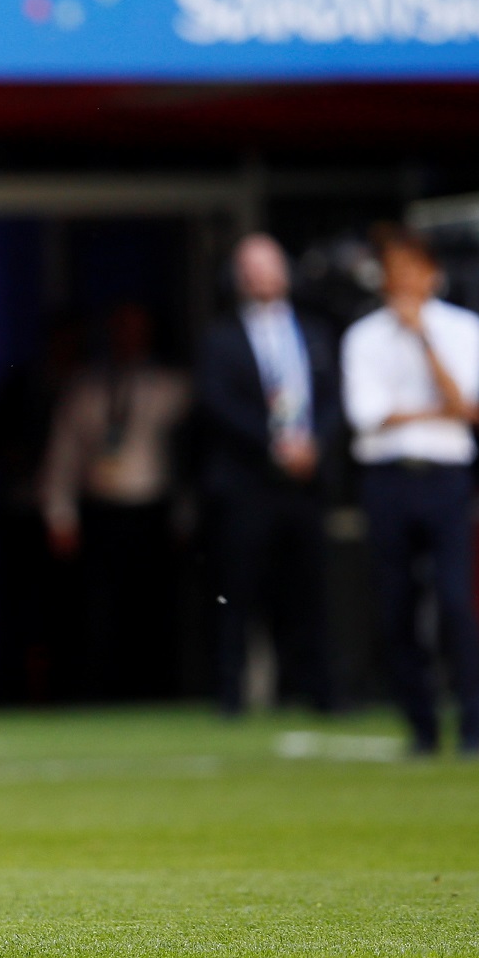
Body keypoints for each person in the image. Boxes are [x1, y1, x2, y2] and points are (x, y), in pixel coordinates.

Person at [342, 230, 479, 756]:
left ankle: (474, 723)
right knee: (396, 606)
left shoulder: (462, 328)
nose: (403, 280)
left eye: (412, 268)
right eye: (393, 269)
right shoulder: (362, 336)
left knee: (454, 600)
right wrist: (439, 411)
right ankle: (422, 727)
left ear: (432, 274)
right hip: (387, 478)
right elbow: (366, 417)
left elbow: (467, 405)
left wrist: (423, 340)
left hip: (445, 475)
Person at [198, 233, 340, 715]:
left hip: (305, 481)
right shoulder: (220, 337)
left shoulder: (317, 331)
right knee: (237, 592)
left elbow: (336, 400)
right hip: (247, 482)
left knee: (310, 592)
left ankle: (318, 691)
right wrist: (274, 446)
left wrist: (312, 445)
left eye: (268, 265)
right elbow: (217, 404)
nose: (260, 277)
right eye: (249, 268)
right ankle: (231, 696)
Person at [41, 303, 190, 699]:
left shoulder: (172, 386)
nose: (128, 336)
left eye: (136, 328)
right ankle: (101, 693)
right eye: (120, 328)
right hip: (101, 510)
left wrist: (185, 513)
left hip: (151, 510)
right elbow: (65, 454)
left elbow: (187, 454)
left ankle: (157, 690)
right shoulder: (86, 387)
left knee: (153, 609)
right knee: (98, 611)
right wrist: (60, 512)